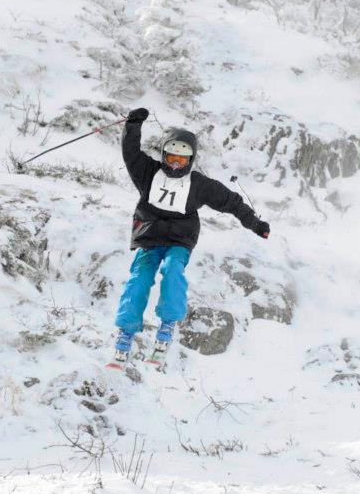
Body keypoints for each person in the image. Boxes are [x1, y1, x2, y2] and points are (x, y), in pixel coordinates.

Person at [109, 108, 270, 368]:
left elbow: (230, 201)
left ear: (190, 161)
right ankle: (125, 334)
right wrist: (134, 124)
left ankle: (166, 326)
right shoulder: (148, 173)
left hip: (180, 239)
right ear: (163, 156)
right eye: (171, 157)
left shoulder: (198, 184)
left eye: (181, 161)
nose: (175, 164)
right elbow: (131, 153)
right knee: (139, 278)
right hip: (149, 237)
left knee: (173, 270)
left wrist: (255, 224)